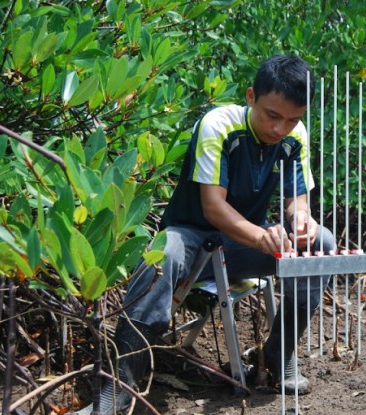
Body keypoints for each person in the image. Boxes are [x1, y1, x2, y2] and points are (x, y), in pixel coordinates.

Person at [78, 55, 335, 414]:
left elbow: (297, 201)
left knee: (322, 243)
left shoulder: (296, 135)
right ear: (250, 96)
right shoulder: (219, 125)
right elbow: (213, 207)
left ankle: (278, 356)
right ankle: (116, 389)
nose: (280, 129)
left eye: (292, 119)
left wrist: (302, 221)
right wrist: (262, 237)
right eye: (272, 115)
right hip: (191, 236)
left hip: (238, 246)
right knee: (160, 255)